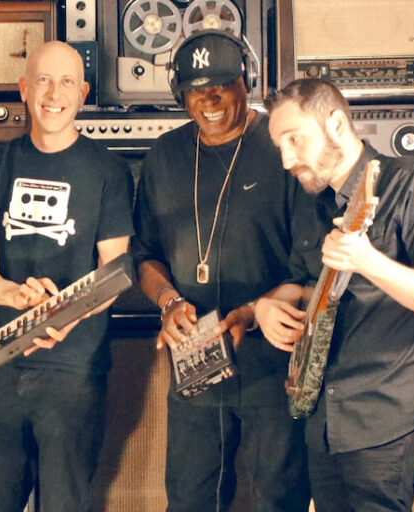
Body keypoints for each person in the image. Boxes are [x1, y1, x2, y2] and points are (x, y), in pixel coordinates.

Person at [260, 77, 414, 511]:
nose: (286, 159)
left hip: (389, 412)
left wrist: (366, 259)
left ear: (336, 123)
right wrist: (269, 305)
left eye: (295, 139)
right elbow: (303, 285)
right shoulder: (310, 202)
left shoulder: (413, 183)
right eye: (280, 144)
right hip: (326, 415)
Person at [132, 31, 310, 511]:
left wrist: (253, 311)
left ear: (246, 83)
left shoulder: (281, 148)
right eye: (194, 88)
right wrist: (169, 302)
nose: (208, 99)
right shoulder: (164, 157)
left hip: (274, 359)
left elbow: (311, 267)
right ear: (179, 95)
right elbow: (144, 255)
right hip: (196, 355)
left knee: (277, 496)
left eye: (221, 85)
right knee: (191, 497)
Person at [0, 41, 133, 512]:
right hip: (7, 367)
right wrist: (11, 293)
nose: (54, 93)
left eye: (67, 82)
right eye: (43, 79)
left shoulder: (109, 172)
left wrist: (63, 318)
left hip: (75, 371)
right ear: (23, 88)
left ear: (83, 94)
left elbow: (115, 270)